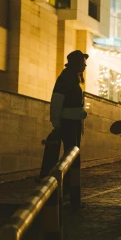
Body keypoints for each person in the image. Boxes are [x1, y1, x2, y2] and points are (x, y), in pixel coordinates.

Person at [39, 50, 88, 209]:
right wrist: (56, 123)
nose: (85, 65)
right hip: (68, 123)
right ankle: (68, 192)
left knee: (71, 157)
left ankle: (68, 192)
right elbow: (57, 101)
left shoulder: (71, 77)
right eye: (83, 62)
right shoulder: (66, 78)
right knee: (71, 158)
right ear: (76, 63)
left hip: (71, 122)